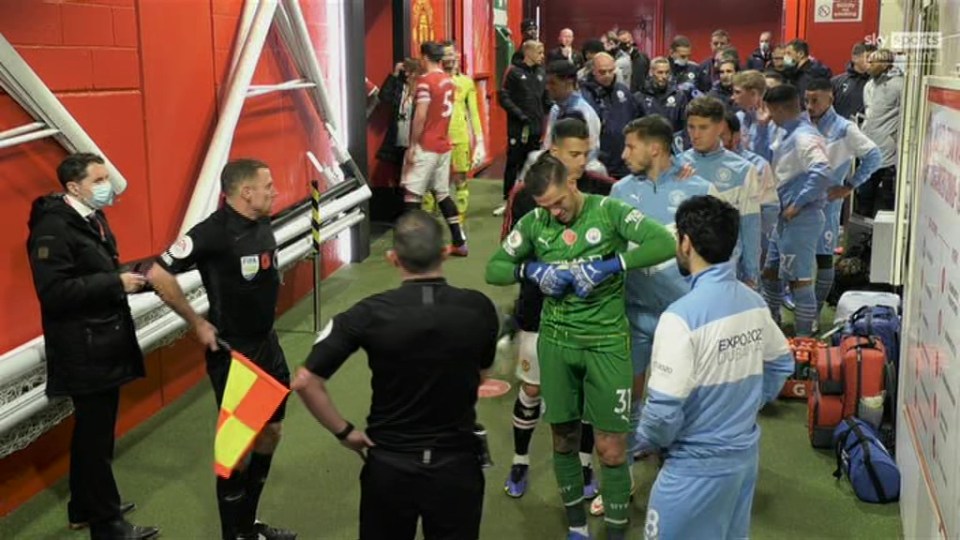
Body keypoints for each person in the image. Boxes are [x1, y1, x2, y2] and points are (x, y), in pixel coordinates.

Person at [486, 153, 676, 540]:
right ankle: (577, 528)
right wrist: (531, 270)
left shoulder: (608, 211)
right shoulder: (535, 222)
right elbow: (494, 268)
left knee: (611, 448)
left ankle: (616, 532)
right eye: (546, 206)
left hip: (606, 344)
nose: (555, 212)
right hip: (556, 343)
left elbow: (663, 243)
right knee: (563, 438)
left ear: (572, 183)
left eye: (559, 202)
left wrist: (610, 266)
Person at [293, 210, 498, 540]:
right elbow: (482, 374)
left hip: (390, 466)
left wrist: (345, 433)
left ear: (392, 258)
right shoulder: (480, 308)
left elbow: (305, 381)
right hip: (456, 465)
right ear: (445, 252)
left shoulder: (367, 313)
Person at [146, 159, 293, 540]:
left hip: (268, 344)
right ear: (246, 192)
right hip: (235, 352)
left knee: (273, 431)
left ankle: (248, 525)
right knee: (237, 448)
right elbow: (158, 273)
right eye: (268, 185)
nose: (274, 191)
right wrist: (196, 323)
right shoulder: (212, 232)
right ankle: (235, 534)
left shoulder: (261, 220)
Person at [635, 195, 794, 540]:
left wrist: (638, 443)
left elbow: (662, 414)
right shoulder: (754, 303)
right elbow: (782, 362)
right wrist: (747, 405)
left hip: (691, 470)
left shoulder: (679, 318)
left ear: (686, 243)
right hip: (743, 462)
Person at [26, 153, 158, 540]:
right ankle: (108, 525)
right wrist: (115, 284)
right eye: (99, 179)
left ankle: (85, 508)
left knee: (92, 432)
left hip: (102, 339)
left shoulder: (90, 220)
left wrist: (128, 274)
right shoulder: (52, 230)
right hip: (83, 348)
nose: (107, 186)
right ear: (74, 187)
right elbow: (53, 292)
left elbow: (93, 272)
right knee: (96, 438)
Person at [592, 116, 716, 516]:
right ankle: (621, 479)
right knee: (625, 401)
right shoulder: (620, 191)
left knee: (680, 403)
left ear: (656, 148)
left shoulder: (697, 188)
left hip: (682, 321)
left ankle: (675, 484)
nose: (623, 154)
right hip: (630, 316)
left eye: (631, 147)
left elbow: (716, 252)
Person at [500, 117, 616, 502]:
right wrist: (534, 270)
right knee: (532, 389)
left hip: (589, 315)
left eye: (586, 153)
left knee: (582, 394)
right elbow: (507, 253)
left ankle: (584, 466)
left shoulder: (603, 189)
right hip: (538, 313)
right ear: (553, 151)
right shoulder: (523, 195)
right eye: (574, 154)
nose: (583, 161)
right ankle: (519, 460)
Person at [757, 84, 832, 337]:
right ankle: (774, 327)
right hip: (785, 219)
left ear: (779, 108)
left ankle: (803, 342)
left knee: (799, 282)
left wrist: (797, 204)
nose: (768, 115)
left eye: (770, 110)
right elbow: (762, 159)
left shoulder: (805, 135)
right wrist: (761, 127)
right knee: (769, 274)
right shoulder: (783, 131)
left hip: (802, 218)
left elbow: (822, 171)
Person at [804, 78, 882, 315]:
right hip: (797, 207)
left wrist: (850, 185)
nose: (809, 105)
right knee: (796, 262)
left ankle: (814, 312)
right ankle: (800, 308)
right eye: (806, 100)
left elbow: (874, 156)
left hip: (826, 207)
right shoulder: (801, 124)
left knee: (824, 260)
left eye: (815, 100)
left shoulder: (844, 128)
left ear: (831, 98)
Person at [678, 96, 762, 288]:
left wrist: (751, 273)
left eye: (703, 127)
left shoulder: (742, 170)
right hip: (682, 272)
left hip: (726, 270)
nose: (695, 134)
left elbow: (750, 224)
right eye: (691, 127)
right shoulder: (677, 166)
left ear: (719, 127)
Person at [394, 41, 468, 255]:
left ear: (425, 57)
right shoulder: (449, 81)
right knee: (442, 194)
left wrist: (413, 145)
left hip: (426, 145)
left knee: (412, 196)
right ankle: (459, 241)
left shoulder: (426, 82)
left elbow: (421, 116)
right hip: (443, 145)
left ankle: (411, 249)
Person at [422, 41, 485, 223]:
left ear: (457, 55)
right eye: (445, 54)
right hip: (435, 138)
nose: (449, 58)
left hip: (459, 137)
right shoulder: (432, 79)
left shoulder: (466, 82)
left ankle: (459, 219)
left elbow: (473, 112)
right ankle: (428, 218)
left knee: (460, 179)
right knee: (430, 180)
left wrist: (479, 141)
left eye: (451, 54)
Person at [719, 111, 780, 281]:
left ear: (736, 136)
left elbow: (767, 216)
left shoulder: (757, 167)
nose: (715, 141)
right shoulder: (692, 164)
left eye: (721, 135)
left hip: (744, 252)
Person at [498, 39, 548, 216]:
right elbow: (503, 97)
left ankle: (530, 199)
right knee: (514, 162)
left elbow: (545, 99)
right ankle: (507, 200)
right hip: (518, 129)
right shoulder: (513, 72)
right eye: (539, 52)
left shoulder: (541, 73)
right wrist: (520, 115)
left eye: (542, 53)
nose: (542, 56)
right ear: (528, 53)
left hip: (536, 128)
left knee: (533, 163)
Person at [859, 48, 903, 217]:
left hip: (888, 154)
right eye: (867, 62)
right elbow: (869, 113)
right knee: (864, 198)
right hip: (868, 151)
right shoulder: (869, 85)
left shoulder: (899, 85)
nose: (868, 66)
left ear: (885, 64)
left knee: (886, 201)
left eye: (872, 62)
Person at [581, 52, 639, 179]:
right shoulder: (585, 96)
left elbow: (635, 120)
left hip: (624, 161)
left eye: (610, 71)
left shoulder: (623, 91)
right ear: (593, 71)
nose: (607, 75)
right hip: (598, 163)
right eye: (602, 72)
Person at [543, 60, 602, 161]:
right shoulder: (555, 110)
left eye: (553, 83)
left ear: (568, 83)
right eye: (547, 83)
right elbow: (548, 144)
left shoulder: (585, 113)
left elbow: (591, 151)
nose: (548, 88)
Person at [375, 58, 421, 167]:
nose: (406, 74)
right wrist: (394, 74)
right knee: (399, 167)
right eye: (405, 71)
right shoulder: (400, 86)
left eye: (410, 71)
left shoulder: (421, 88)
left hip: (414, 135)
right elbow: (384, 97)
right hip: (399, 133)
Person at [636, 57, 690, 135]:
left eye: (667, 72)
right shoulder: (639, 97)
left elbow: (684, 125)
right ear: (651, 73)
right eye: (660, 72)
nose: (664, 76)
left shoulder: (679, 97)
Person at [831, 42, 877, 121]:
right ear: (855, 58)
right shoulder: (836, 82)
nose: (871, 61)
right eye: (868, 57)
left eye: (874, 58)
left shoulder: (879, 83)